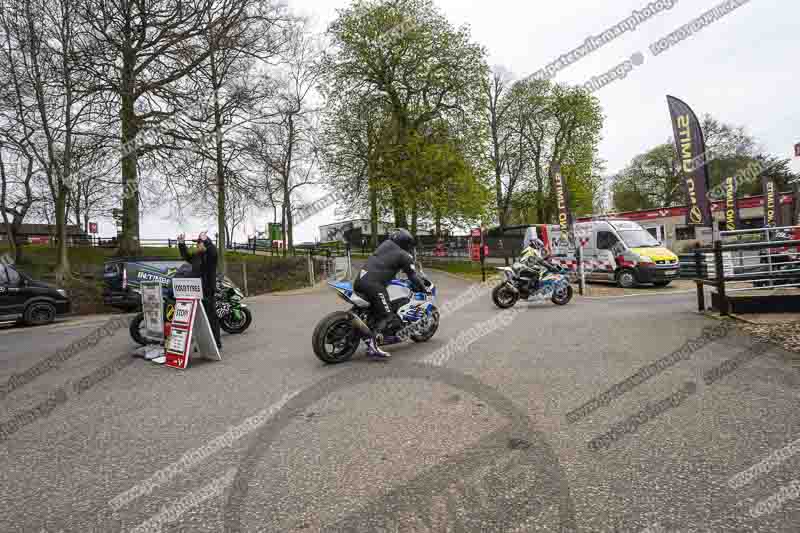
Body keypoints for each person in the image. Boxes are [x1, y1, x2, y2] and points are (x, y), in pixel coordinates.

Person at [354, 228, 428, 359]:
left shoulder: (385, 246)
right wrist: (423, 288)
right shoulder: (403, 255)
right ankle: (373, 346)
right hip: (373, 285)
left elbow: (384, 266)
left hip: (360, 281)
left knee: (374, 308)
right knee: (387, 315)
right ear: (406, 243)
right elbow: (413, 276)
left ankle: (365, 326)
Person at [177, 231, 222, 351]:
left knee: (210, 317)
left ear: (205, 245)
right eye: (197, 244)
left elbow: (213, 251)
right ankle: (203, 342)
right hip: (196, 292)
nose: (197, 245)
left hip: (207, 292)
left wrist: (206, 240)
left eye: (199, 243)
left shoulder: (210, 256)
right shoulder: (196, 256)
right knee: (199, 319)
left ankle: (215, 343)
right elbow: (186, 256)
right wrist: (181, 244)